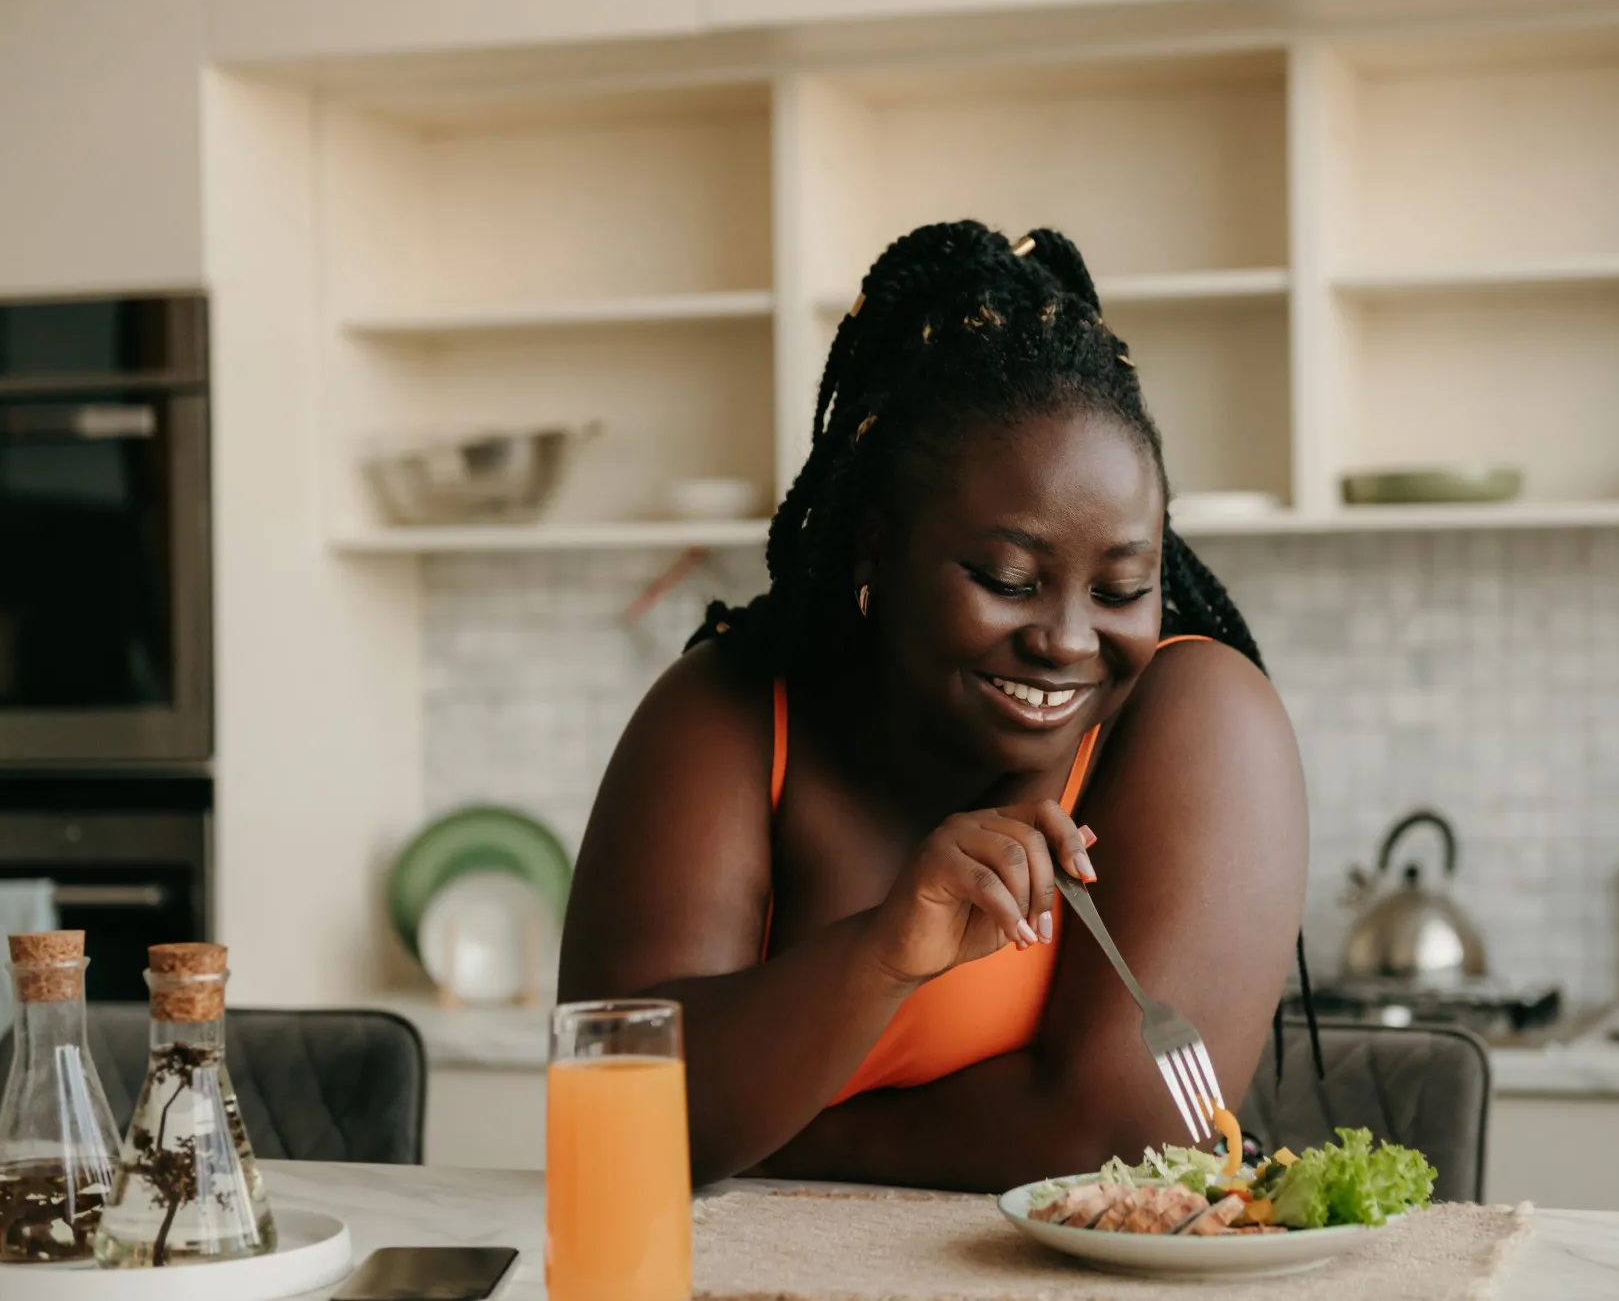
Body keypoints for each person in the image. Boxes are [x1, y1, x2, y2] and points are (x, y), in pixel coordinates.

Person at [560, 221, 1308, 1191]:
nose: (1069, 641)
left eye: (1122, 588)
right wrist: (877, 957)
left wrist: (776, 1137)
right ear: (875, 550)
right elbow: (614, 1104)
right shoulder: (733, 706)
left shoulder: (1198, 717)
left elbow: (1118, 1141)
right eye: (1007, 577)